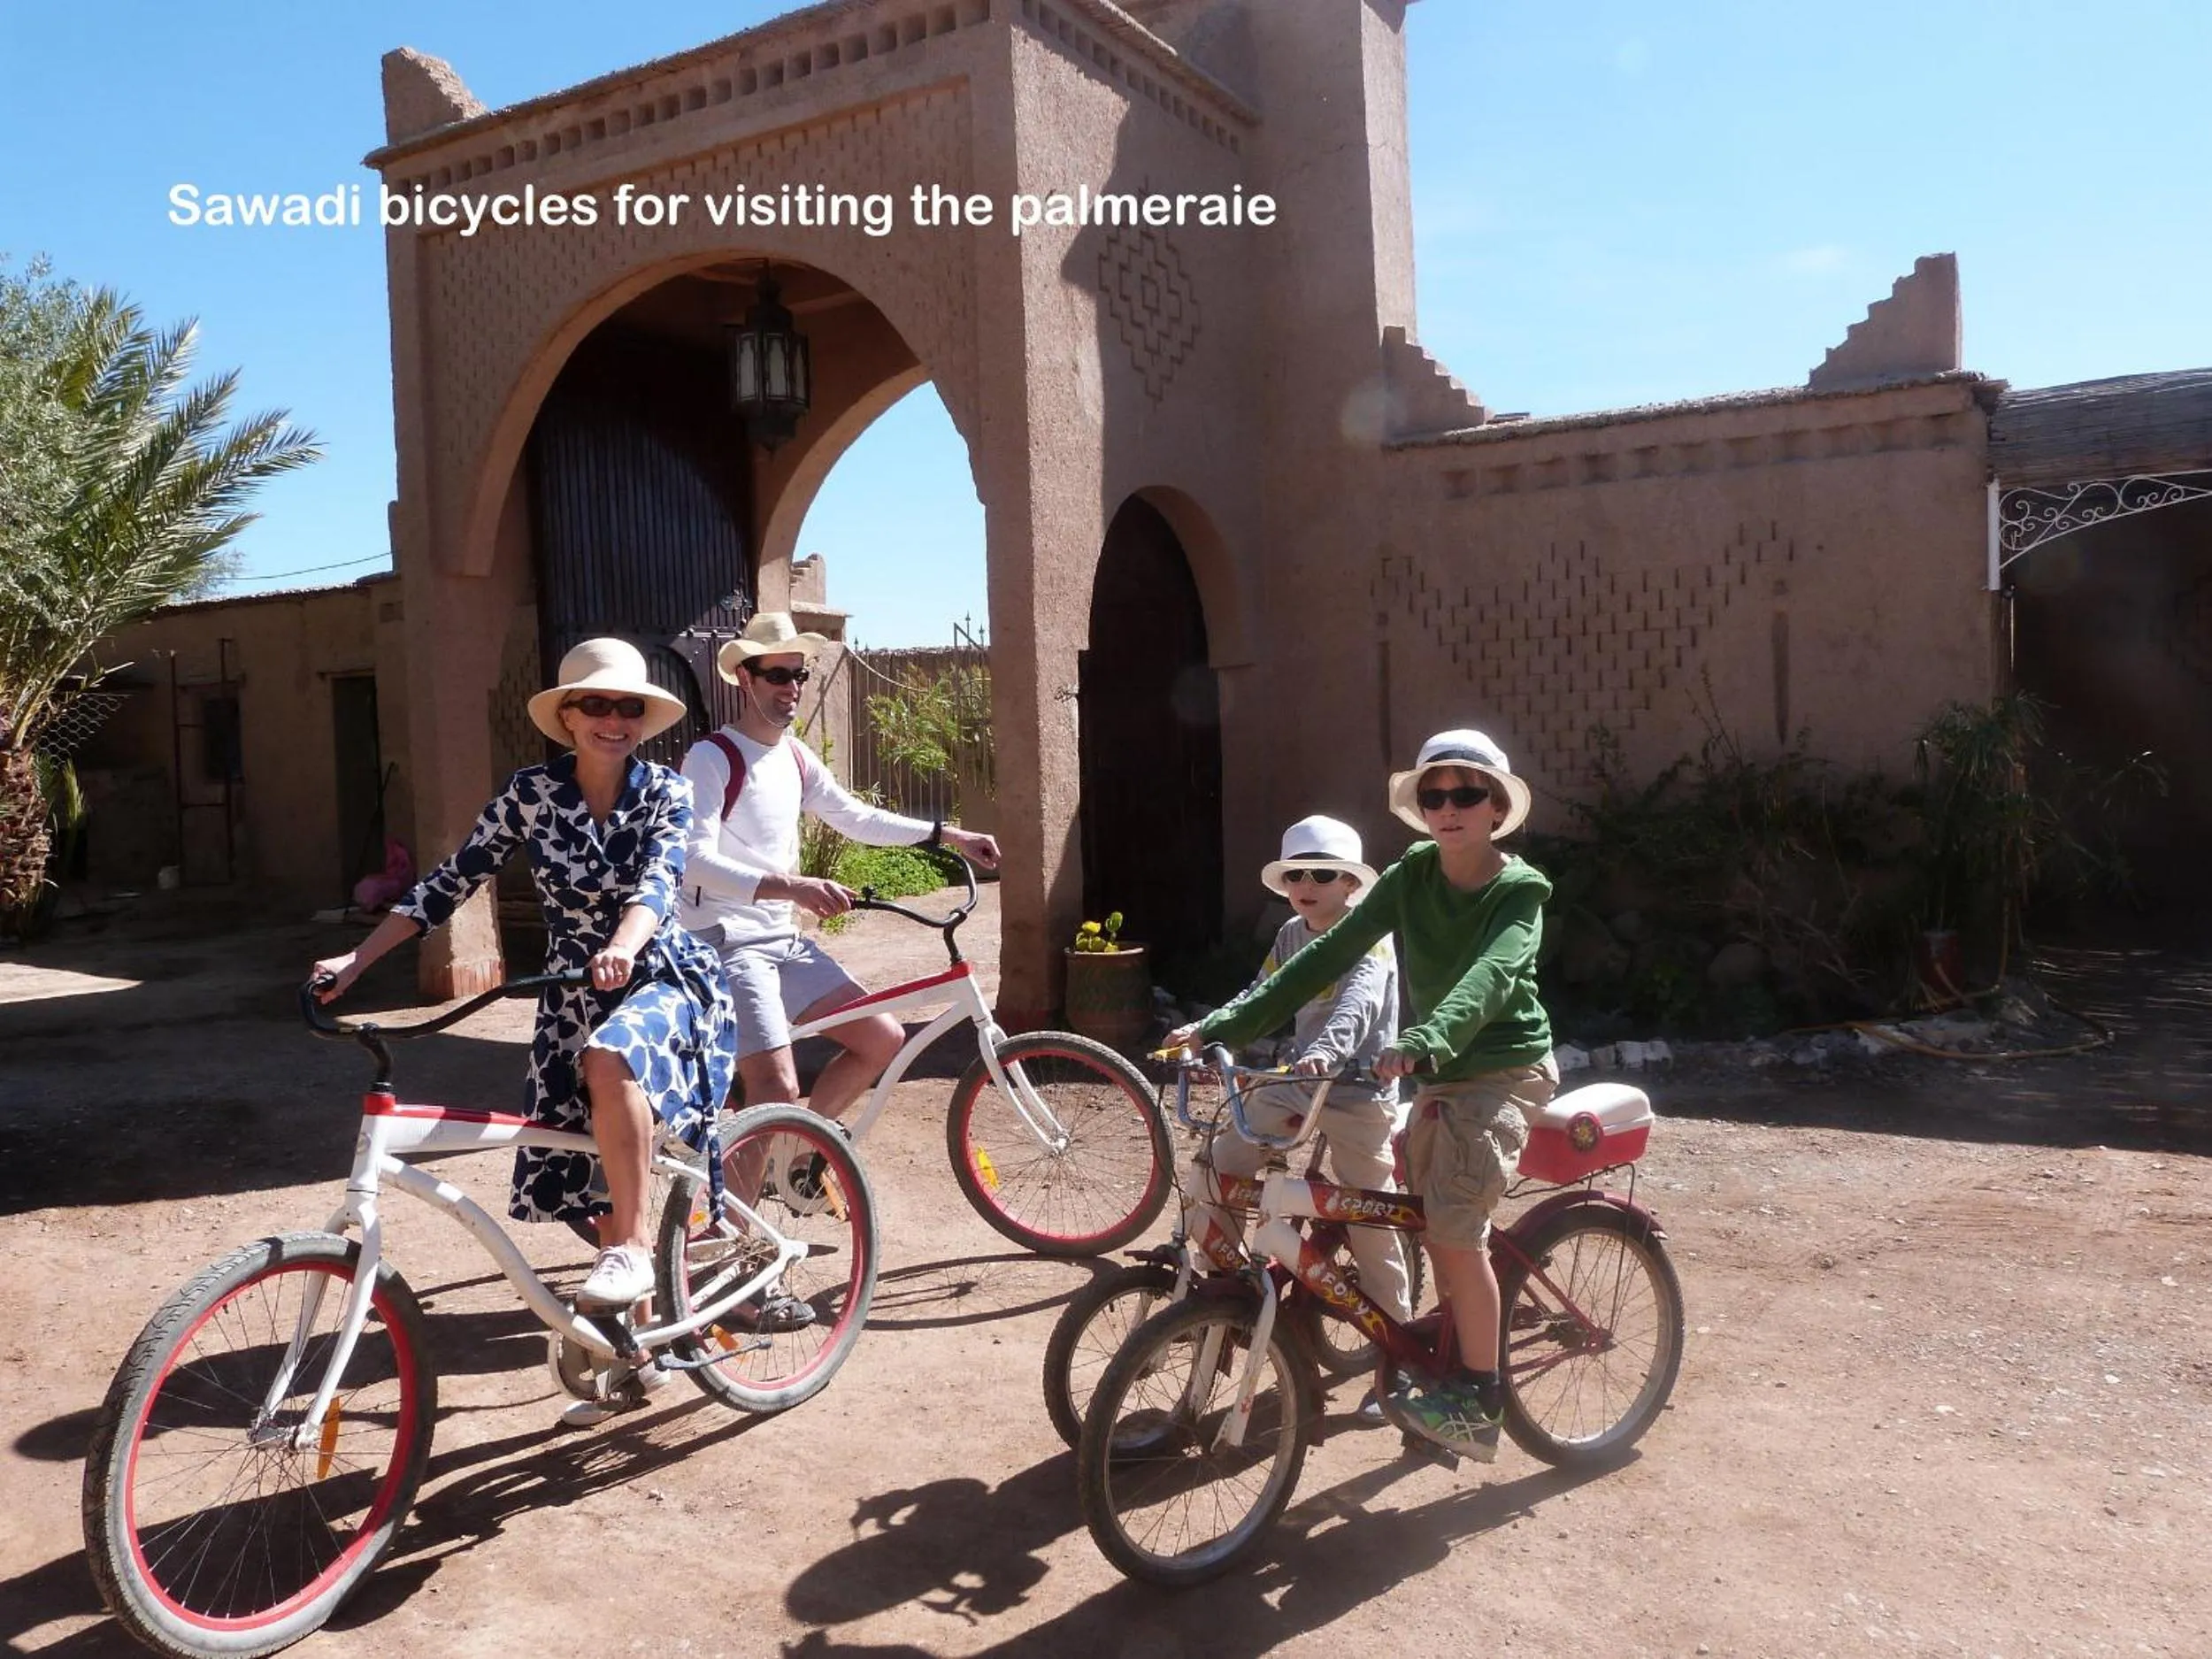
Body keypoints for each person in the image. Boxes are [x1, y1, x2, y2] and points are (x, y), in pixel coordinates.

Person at [310, 638, 739, 1371]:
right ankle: (634, 1349)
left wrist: (627, 945)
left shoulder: (669, 791)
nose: (613, 719)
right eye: (596, 704)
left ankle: (637, 1253)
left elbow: (658, 886)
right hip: (572, 996)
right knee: (586, 1169)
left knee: (613, 1057)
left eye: (627, 706)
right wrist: (359, 958)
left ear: (642, 718)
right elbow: (451, 880)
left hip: (663, 977)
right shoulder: (530, 794)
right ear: (568, 716)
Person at [1169, 730, 1555, 1459]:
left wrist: (1425, 1037)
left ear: (1498, 807)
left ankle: (1480, 1398)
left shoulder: (1519, 890)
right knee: (1408, 1206)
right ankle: (1414, 1345)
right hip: (1429, 1067)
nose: (1448, 806)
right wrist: (1223, 1023)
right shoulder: (1412, 875)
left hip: (1500, 1068)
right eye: (1434, 794)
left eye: (1466, 792)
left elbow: (1491, 978)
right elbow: (1321, 959)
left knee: (1450, 1229)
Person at [678, 611, 1000, 1120]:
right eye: (778, 675)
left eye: (798, 675)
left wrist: (947, 835)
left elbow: (854, 817)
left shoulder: (796, 757)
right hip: (727, 942)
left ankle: (800, 1164)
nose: (792, 688)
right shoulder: (711, 758)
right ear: (745, 677)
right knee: (776, 1086)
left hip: (781, 939)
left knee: (881, 1037)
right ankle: (742, 1198)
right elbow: (692, 860)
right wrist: (792, 887)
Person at [1196, 815, 1413, 1425]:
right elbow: (1261, 994)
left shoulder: (1369, 935)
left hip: (1358, 1091)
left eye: (1323, 873)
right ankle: (1229, 1291)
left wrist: (1329, 1051)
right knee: (1217, 1168)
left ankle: (1397, 1360)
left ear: (1350, 883)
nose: (1307, 883)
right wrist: (1207, 1029)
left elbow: (1358, 1003)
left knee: (1370, 1216)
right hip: (1298, 1085)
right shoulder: (1293, 933)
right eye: (1296, 873)